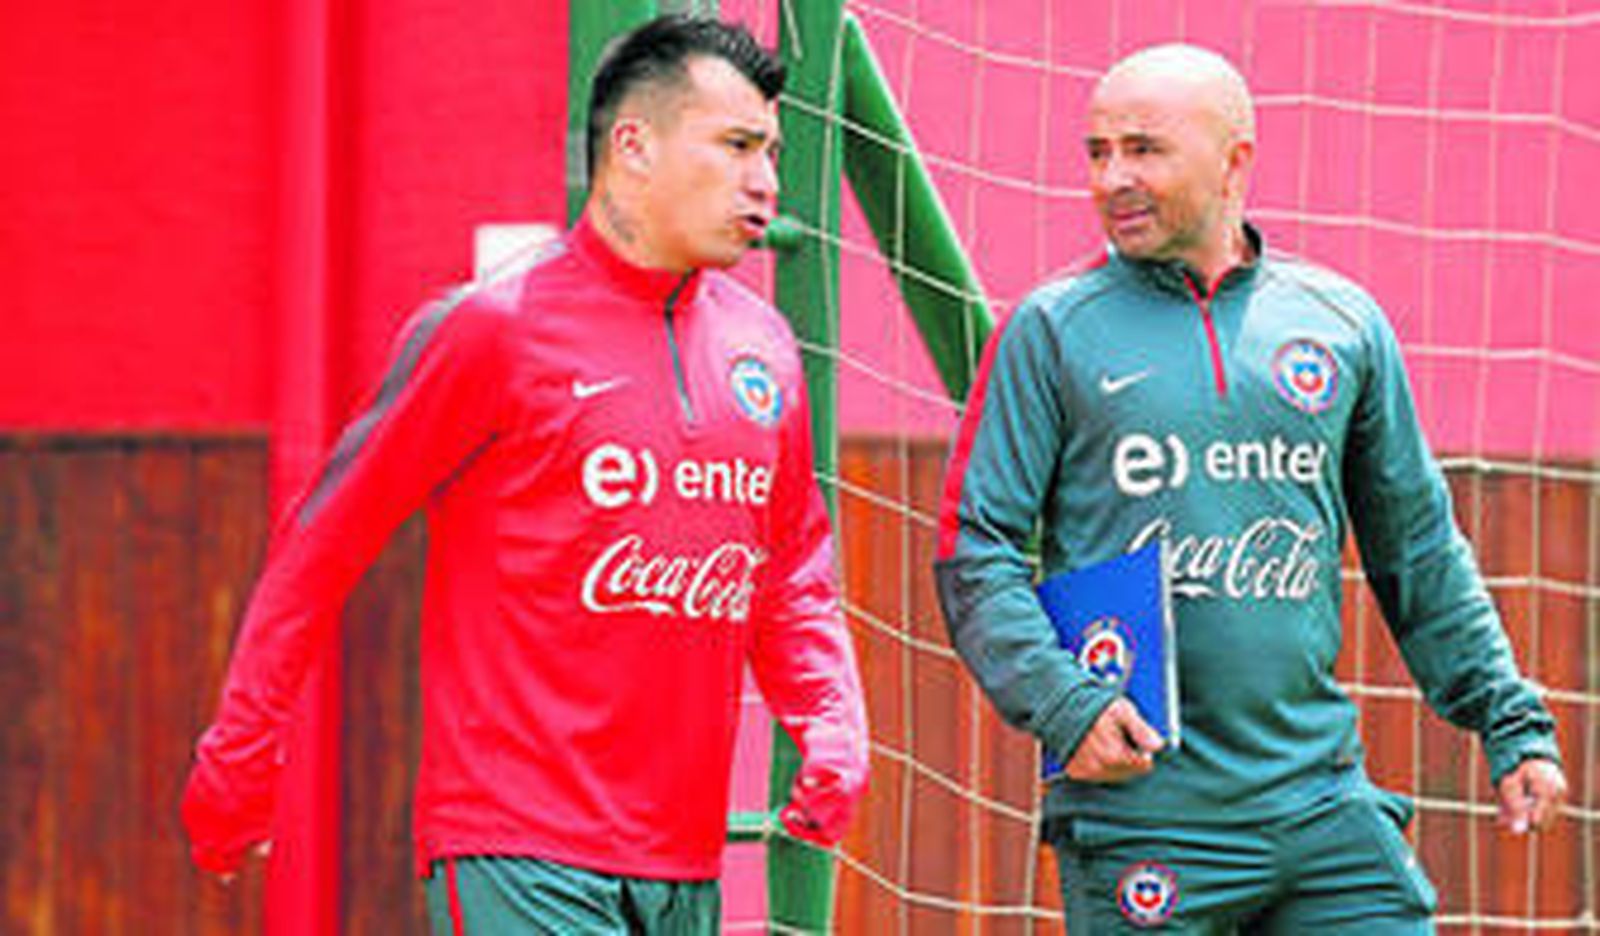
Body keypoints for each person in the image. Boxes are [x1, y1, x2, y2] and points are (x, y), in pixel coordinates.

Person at [182, 14, 869, 933]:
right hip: (516, 848)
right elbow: (324, 543)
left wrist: (832, 724)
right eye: (738, 145)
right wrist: (241, 754)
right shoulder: (492, 330)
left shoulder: (768, 350)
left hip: (683, 867)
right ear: (634, 147)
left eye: (773, 152)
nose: (766, 181)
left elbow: (790, 574)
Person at [934, 43, 1565, 933]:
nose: (1113, 178)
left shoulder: (1340, 324)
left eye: (1144, 149)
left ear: (1235, 162)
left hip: (1317, 801)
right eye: (1097, 152)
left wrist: (1510, 720)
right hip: (1141, 813)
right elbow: (974, 551)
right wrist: (1066, 704)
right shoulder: (1048, 330)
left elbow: (1418, 548)